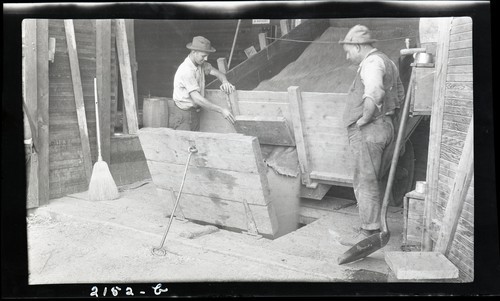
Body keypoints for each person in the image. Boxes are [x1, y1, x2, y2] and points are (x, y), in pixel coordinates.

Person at [337, 25, 405, 246]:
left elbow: (375, 91)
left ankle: (369, 233)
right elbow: (400, 95)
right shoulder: (388, 61)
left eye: (349, 51)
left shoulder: (372, 63)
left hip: (371, 130)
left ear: (358, 46)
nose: (347, 57)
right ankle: (376, 226)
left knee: (365, 181)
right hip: (386, 126)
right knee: (373, 178)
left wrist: (364, 118)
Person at [172, 36, 236, 131]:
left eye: (207, 56)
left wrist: (225, 81)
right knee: (185, 144)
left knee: (194, 143)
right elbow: (197, 99)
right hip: (184, 114)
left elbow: (219, 73)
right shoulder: (186, 70)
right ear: (194, 52)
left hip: (194, 112)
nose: (206, 59)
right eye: (203, 56)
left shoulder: (201, 64)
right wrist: (221, 110)